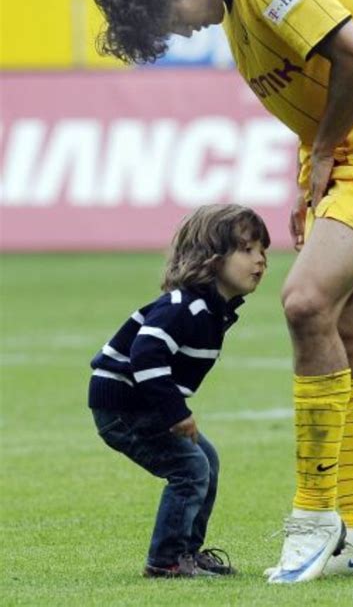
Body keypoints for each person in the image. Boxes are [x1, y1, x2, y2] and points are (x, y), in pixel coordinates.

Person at [91, 0, 353, 584]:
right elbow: (314, 90)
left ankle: (313, 521)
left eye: (169, 19)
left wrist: (323, 154)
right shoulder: (237, 3)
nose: (181, 34)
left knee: (304, 301)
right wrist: (307, 174)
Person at [88, 204, 270, 578]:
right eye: (248, 250)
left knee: (206, 461)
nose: (261, 260)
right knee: (190, 467)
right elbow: (145, 354)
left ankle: (188, 552)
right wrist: (176, 413)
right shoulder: (184, 306)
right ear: (212, 258)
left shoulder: (213, 310)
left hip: (141, 403)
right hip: (124, 405)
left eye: (263, 250)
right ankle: (166, 561)